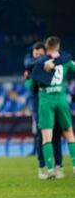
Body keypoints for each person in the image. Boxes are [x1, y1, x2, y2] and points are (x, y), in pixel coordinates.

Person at [30, 36, 75, 179]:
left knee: (46, 136)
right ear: (58, 46)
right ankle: (74, 166)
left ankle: (50, 170)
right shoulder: (66, 60)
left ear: (46, 47)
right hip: (61, 99)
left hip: (46, 100)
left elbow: (32, 84)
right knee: (69, 133)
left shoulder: (40, 62)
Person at [24, 42, 63, 179]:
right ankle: (43, 167)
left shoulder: (52, 65)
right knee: (42, 136)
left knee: (57, 134)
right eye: (36, 54)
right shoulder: (30, 66)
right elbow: (29, 85)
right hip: (39, 106)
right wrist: (39, 74)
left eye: (40, 54)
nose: (38, 56)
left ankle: (58, 165)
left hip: (53, 103)